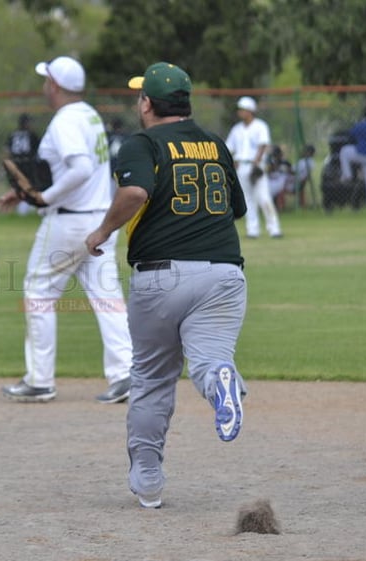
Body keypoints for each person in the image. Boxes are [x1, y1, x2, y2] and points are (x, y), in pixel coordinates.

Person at [84, 62, 249, 509]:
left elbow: (136, 192)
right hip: (223, 274)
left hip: (161, 276)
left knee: (153, 379)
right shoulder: (215, 144)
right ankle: (220, 382)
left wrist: (102, 232)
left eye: (141, 97)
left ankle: (149, 479)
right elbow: (236, 207)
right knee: (210, 360)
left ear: (148, 104)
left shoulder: (142, 143)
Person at [0, 55, 133, 404]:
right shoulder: (89, 115)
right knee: (107, 297)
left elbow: (81, 169)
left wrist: (44, 198)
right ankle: (126, 374)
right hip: (100, 218)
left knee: (38, 289)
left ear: (54, 85)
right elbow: (70, 170)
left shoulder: (65, 121)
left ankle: (40, 380)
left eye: (46, 80)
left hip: (69, 220)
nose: (44, 86)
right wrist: (25, 192)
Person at [226, 96, 282, 238]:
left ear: (250, 111)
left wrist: (256, 163)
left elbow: (263, 145)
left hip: (256, 166)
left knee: (264, 198)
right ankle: (252, 230)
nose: (240, 112)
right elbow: (228, 148)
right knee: (247, 200)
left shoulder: (260, 126)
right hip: (241, 166)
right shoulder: (236, 129)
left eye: (242, 109)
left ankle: (274, 229)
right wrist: (233, 162)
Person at [6, 113, 41, 216]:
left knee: (20, 186)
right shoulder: (32, 135)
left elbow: (7, 151)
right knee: (30, 186)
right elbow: (38, 151)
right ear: (26, 123)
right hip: (28, 163)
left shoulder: (13, 135)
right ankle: (24, 211)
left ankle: (23, 210)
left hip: (15, 163)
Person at [265, 144, 294, 211]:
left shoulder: (285, 162)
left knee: (280, 188)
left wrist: (287, 170)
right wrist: (273, 167)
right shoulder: (271, 162)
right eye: (275, 155)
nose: (276, 156)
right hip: (272, 182)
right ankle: (272, 206)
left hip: (284, 183)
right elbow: (268, 172)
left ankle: (279, 207)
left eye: (277, 154)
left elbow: (292, 172)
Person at [292, 144, 316, 209]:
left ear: (309, 153)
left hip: (296, 181)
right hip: (299, 180)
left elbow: (293, 171)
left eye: (305, 151)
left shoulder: (304, 162)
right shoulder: (310, 162)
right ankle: (302, 204)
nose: (302, 152)